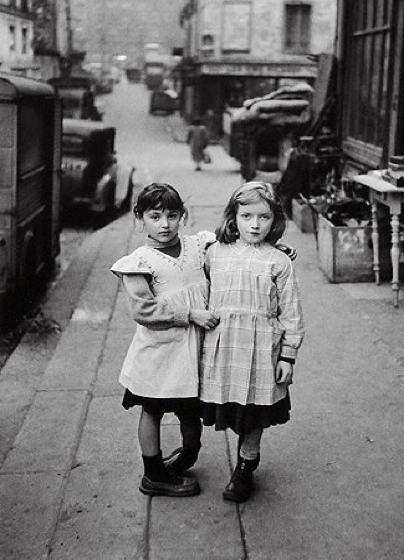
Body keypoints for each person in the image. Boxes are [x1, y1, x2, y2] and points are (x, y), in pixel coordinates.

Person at [110, 183, 219, 498]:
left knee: (190, 408)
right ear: (140, 218)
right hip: (159, 352)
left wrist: (275, 247)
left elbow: (231, 246)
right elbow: (144, 309)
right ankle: (154, 473)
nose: (165, 224)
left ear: (182, 216)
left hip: (193, 350)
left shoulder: (198, 247)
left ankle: (187, 454)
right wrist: (190, 314)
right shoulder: (139, 262)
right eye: (155, 216)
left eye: (173, 215)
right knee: (153, 409)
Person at [199, 181, 305, 503]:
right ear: (234, 217)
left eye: (264, 217)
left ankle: (247, 460)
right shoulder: (213, 253)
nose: (255, 225)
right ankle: (245, 449)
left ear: (276, 221)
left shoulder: (279, 262)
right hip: (224, 347)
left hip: (261, 349)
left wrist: (287, 356)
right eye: (246, 216)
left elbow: (292, 312)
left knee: (255, 409)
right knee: (231, 408)